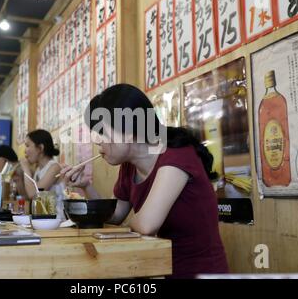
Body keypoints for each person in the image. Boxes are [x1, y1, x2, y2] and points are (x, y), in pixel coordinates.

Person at [60, 84, 229, 278]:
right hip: (159, 269)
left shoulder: (176, 156)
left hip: (199, 272)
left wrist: (125, 228)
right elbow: (114, 215)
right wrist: (86, 186)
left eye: (102, 132)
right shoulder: (129, 166)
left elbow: (147, 225)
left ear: (130, 131)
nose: (97, 141)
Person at [20, 129, 65, 220]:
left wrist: (25, 168)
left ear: (40, 148)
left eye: (28, 146)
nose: (25, 151)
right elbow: (27, 196)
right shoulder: (38, 170)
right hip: (45, 220)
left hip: (59, 222)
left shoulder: (54, 167)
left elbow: (34, 195)